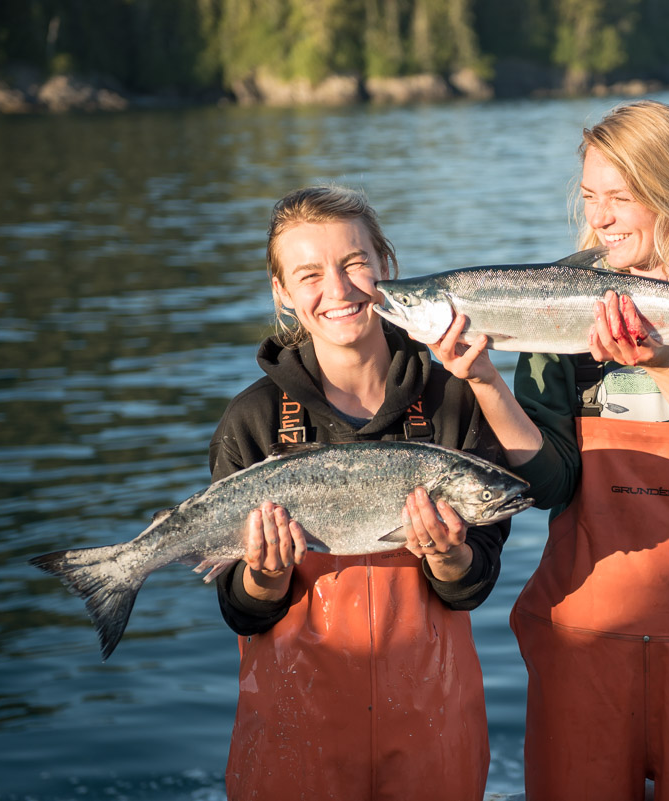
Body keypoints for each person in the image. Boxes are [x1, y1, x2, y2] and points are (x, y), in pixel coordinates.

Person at [428, 99, 669, 800]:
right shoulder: (552, 301)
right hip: (585, 635)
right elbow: (550, 485)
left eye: (620, 198)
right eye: (589, 197)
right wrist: (481, 379)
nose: (598, 217)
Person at [208, 185, 509, 800]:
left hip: (433, 726)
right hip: (293, 732)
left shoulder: (455, 397)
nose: (338, 290)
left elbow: (475, 582)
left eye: (354, 265)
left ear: (386, 270)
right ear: (284, 295)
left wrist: (449, 556)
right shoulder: (254, 419)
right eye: (309, 274)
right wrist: (264, 576)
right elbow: (241, 608)